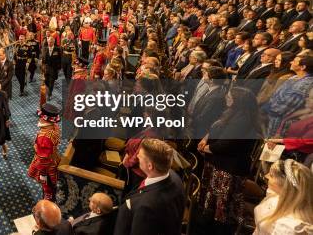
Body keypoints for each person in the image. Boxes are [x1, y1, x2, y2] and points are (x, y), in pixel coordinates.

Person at [195, 87, 263, 234]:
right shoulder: (233, 113)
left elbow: (225, 145)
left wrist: (205, 148)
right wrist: (206, 138)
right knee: (212, 204)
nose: (227, 98)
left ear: (239, 101)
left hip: (228, 169)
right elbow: (216, 127)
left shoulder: (243, 121)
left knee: (222, 209)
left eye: (230, 96)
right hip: (218, 163)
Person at [114, 138, 185, 234]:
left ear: (150, 166)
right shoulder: (174, 176)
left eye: (141, 155)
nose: (137, 155)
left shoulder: (146, 208)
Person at [253, 159, 313, 234]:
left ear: (285, 186)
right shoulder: (274, 196)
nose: (266, 176)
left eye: (271, 175)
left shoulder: (288, 226)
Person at [28, 103, 62, 201]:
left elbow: (43, 159)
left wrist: (41, 171)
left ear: (44, 119)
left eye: (41, 117)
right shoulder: (54, 127)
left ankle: (48, 202)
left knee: (47, 187)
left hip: (46, 167)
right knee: (51, 185)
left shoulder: (44, 137)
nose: (39, 118)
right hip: (54, 159)